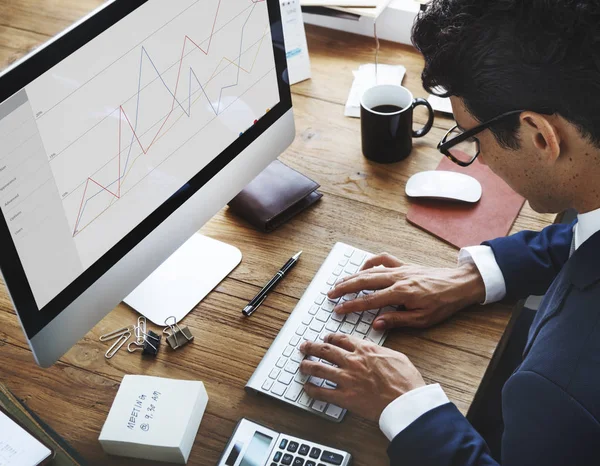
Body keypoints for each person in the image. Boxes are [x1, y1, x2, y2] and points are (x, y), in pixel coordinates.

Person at [298, 1, 600, 464]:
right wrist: (474, 276)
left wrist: (409, 407)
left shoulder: (556, 392)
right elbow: (585, 240)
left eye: (471, 138)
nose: (479, 160)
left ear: (541, 136)